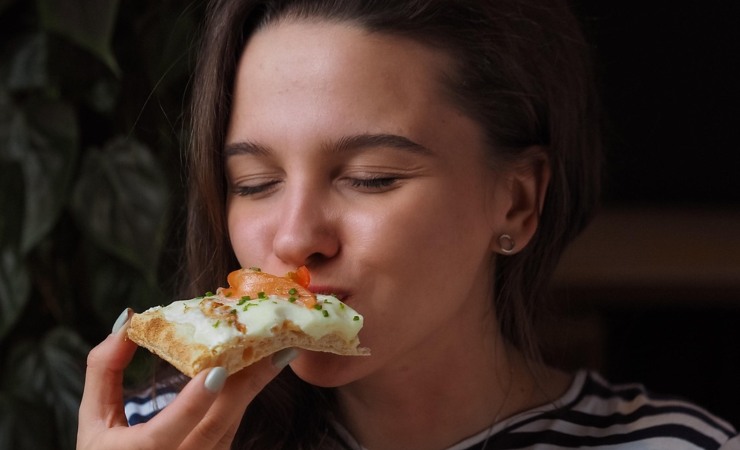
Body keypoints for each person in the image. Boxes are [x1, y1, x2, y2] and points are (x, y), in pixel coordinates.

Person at [77, 0, 740, 449]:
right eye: (256, 184)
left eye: (371, 177)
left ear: (516, 202)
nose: (294, 237)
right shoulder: (151, 434)